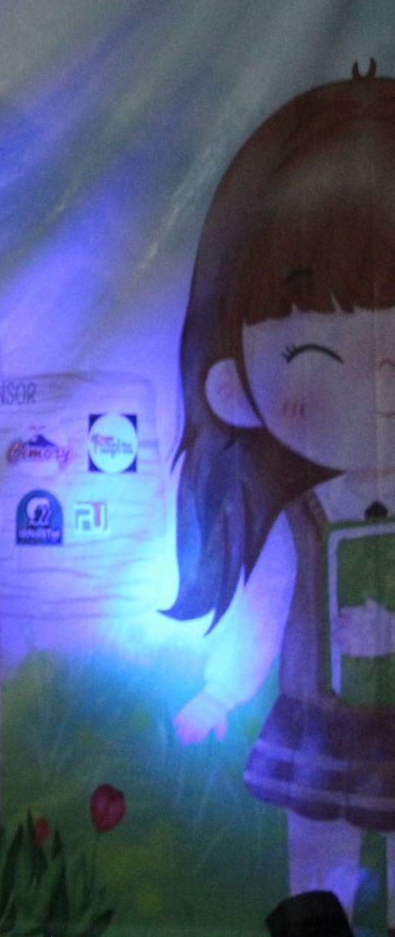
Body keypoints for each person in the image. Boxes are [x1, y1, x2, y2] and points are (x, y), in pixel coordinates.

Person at [168, 66, 395, 917]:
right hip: (318, 721)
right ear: (233, 382)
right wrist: (222, 690)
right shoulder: (303, 520)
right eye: (315, 355)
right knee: (317, 858)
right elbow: (264, 607)